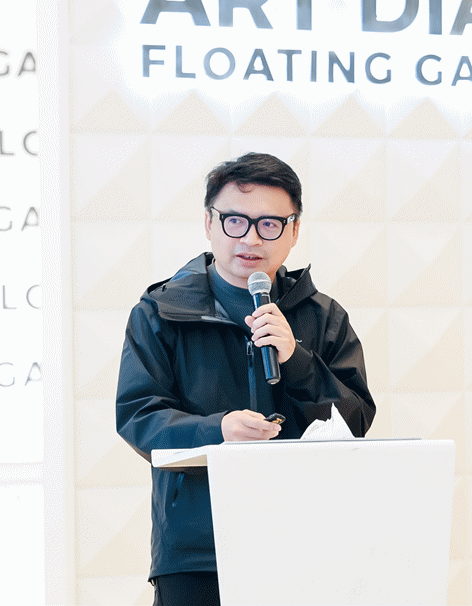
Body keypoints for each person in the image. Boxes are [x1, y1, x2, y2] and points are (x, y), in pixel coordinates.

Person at [116, 152, 376, 605]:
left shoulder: (324, 317)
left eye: (270, 224)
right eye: (235, 220)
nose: (251, 237)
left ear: (294, 231)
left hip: (306, 540)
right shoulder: (160, 313)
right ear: (209, 223)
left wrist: (297, 360)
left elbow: (354, 422)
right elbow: (139, 418)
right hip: (199, 550)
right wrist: (217, 431)